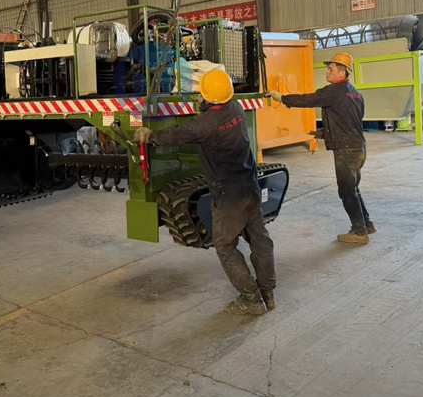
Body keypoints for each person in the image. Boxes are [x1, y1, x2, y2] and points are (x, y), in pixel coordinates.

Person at [134, 70, 275, 316]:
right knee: (260, 241)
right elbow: (209, 122)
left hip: (228, 196)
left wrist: (149, 136)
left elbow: (179, 134)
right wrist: (204, 107)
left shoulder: (205, 124)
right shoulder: (237, 108)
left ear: (206, 95)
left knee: (224, 245)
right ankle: (267, 293)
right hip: (249, 186)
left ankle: (251, 298)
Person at [265, 52, 374, 244]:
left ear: (342, 73)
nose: (327, 72)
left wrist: (282, 98)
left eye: (331, 69)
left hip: (346, 150)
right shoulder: (356, 94)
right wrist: (325, 132)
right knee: (352, 188)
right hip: (358, 147)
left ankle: (359, 233)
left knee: (346, 192)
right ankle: (366, 224)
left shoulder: (334, 91)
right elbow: (350, 122)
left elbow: (308, 99)